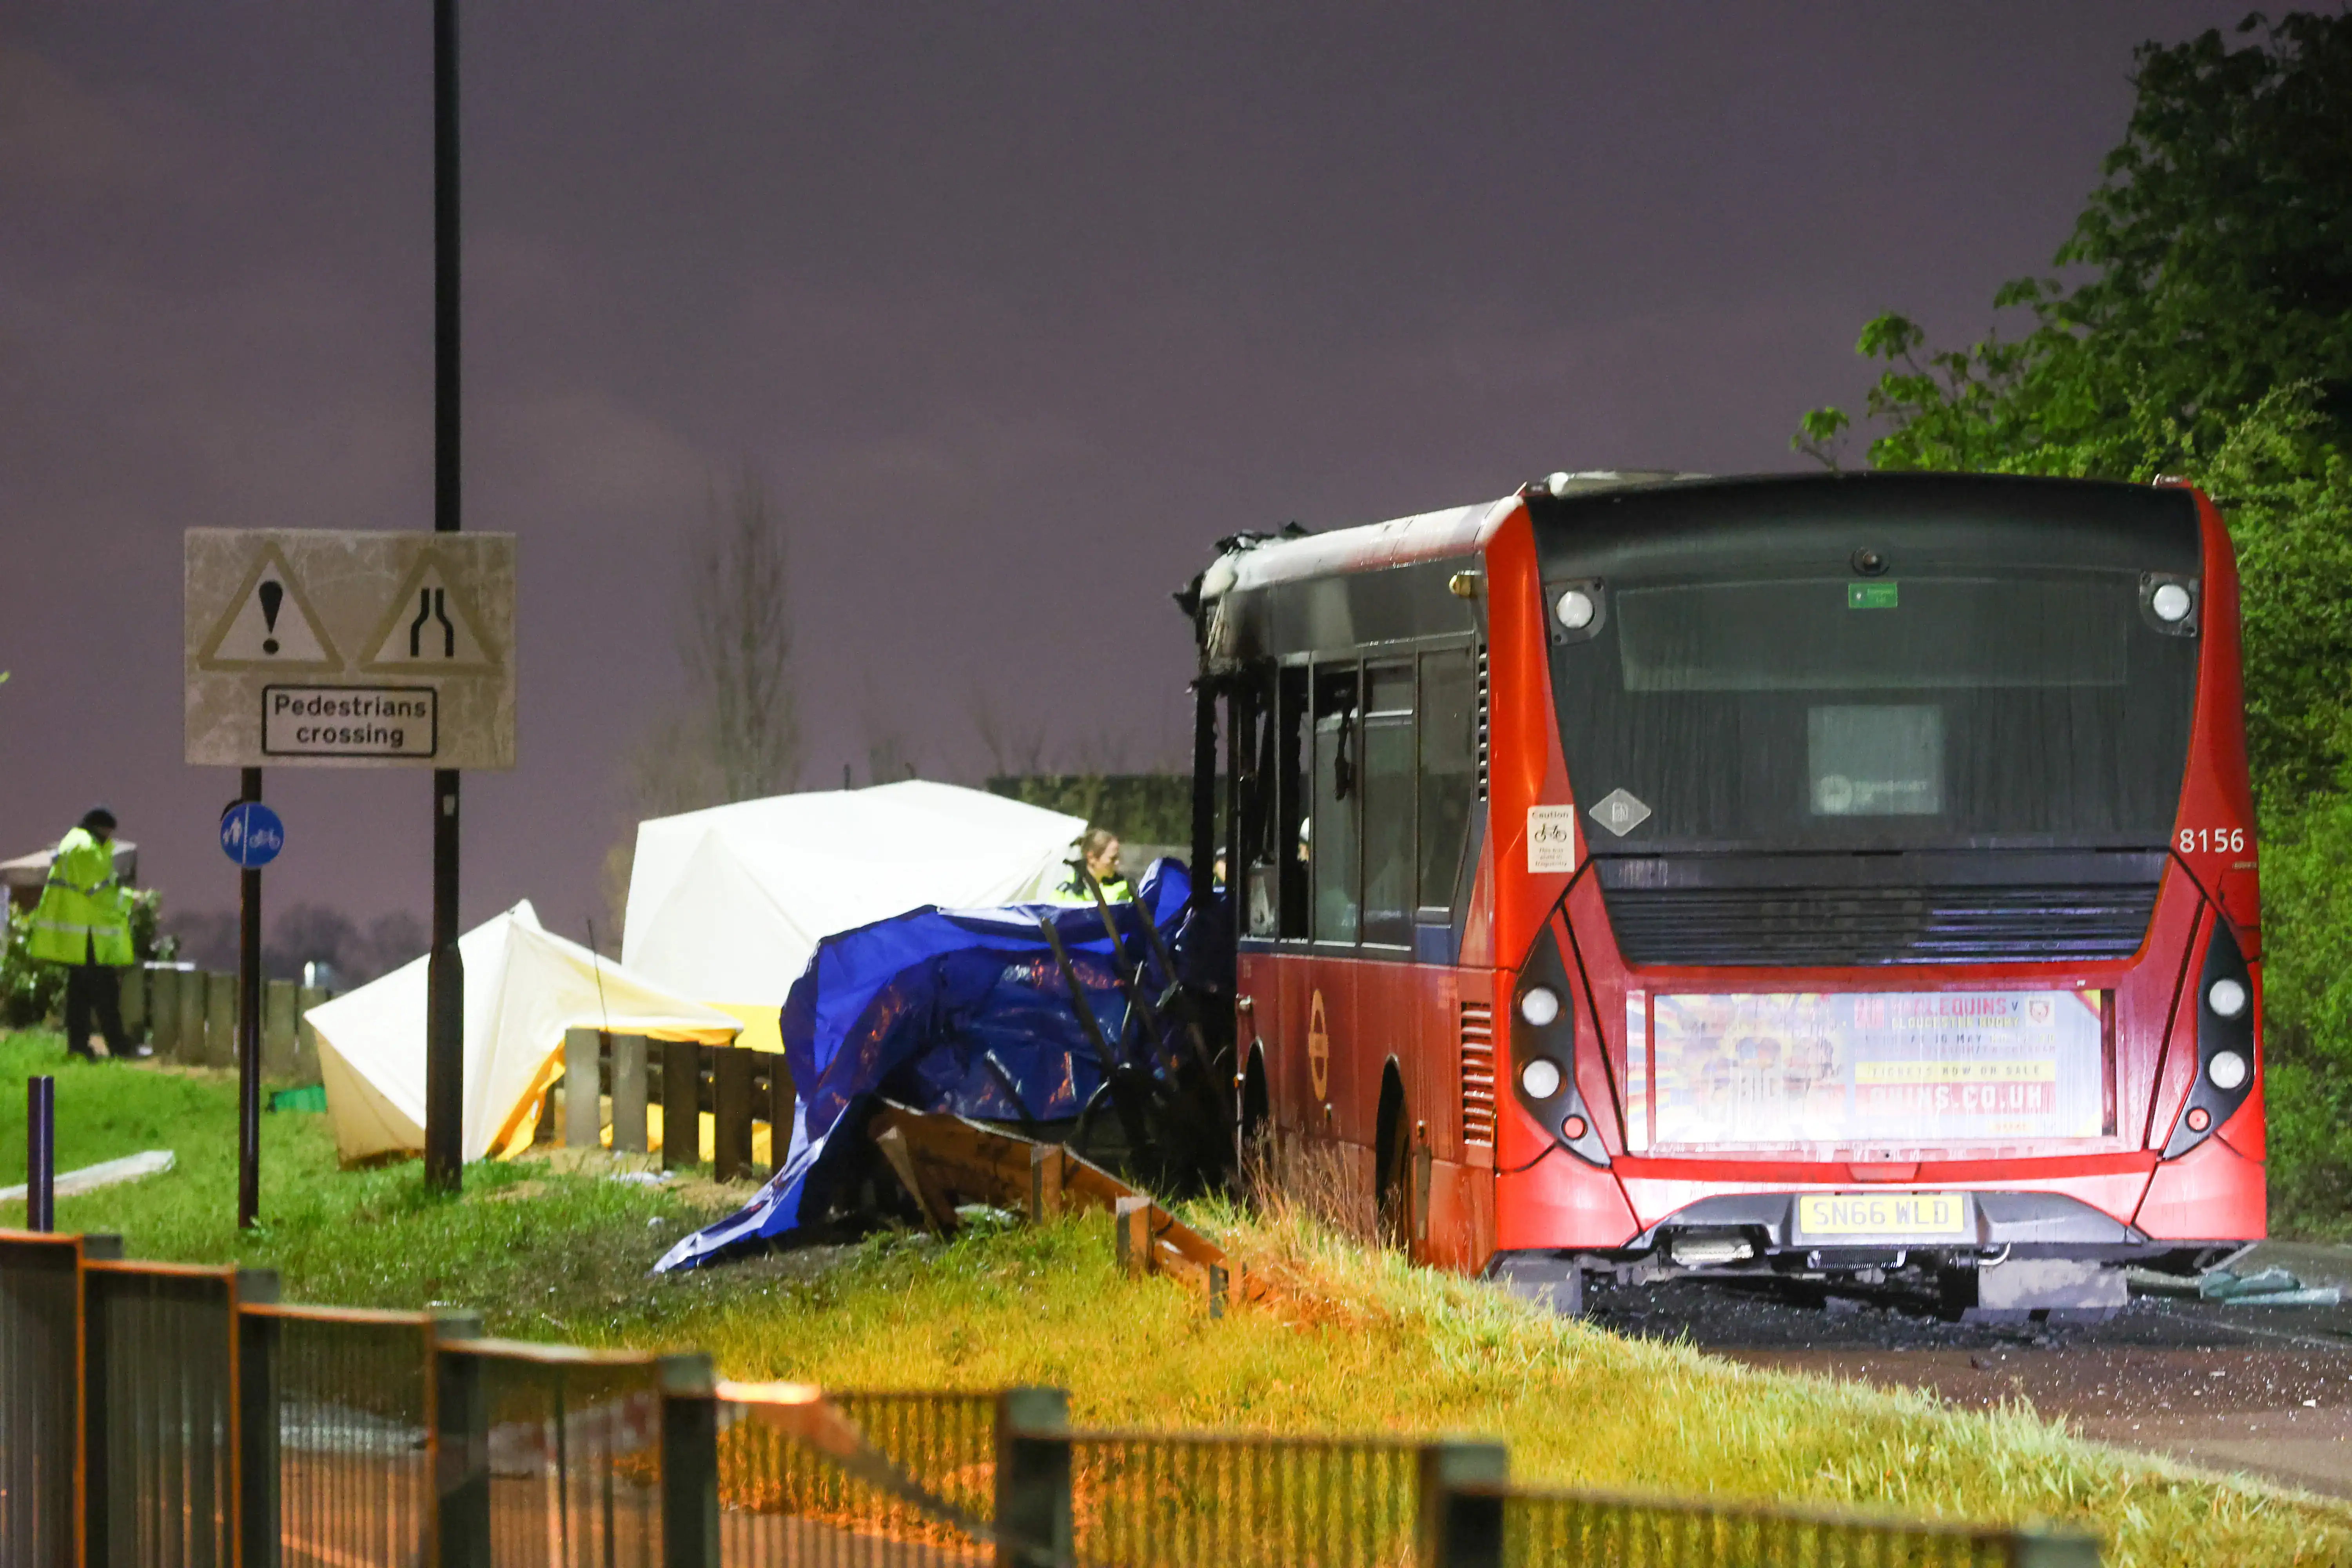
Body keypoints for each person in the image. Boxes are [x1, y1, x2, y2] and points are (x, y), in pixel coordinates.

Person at [29, 806, 138, 1060]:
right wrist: (132, 900)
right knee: (106, 993)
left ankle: (78, 1046)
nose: (110, 839)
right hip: (89, 934)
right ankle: (118, 1046)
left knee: (79, 995)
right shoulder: (88, 849)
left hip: (76, 935)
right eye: (109, 833)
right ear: (102, 828)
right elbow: (99, 893)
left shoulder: (71, 843)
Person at [1054, 826, 1132, 904]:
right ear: (1092, 858)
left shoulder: (1124, 887)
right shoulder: (1068, 888)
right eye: (1112, 859)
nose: (1117, 862)